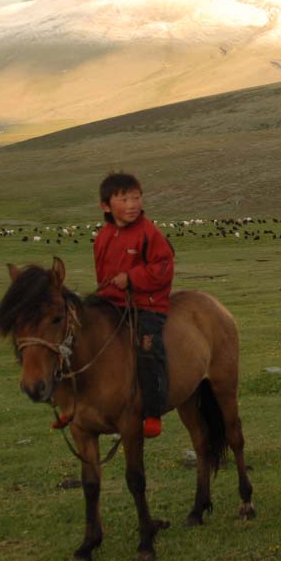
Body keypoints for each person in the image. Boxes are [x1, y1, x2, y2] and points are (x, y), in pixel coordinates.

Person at [93, 171, 175, 439]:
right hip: (111, 303)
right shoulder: (103, 237)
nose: (132, 204)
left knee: (148, 349)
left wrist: (130, 279)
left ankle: (152, 411)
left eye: (137, 197)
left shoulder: (149, 233)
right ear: (106, 206)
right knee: (78, 340)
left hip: (147, 305)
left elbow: (163, 268)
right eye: (124, 199)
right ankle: (78, 404)